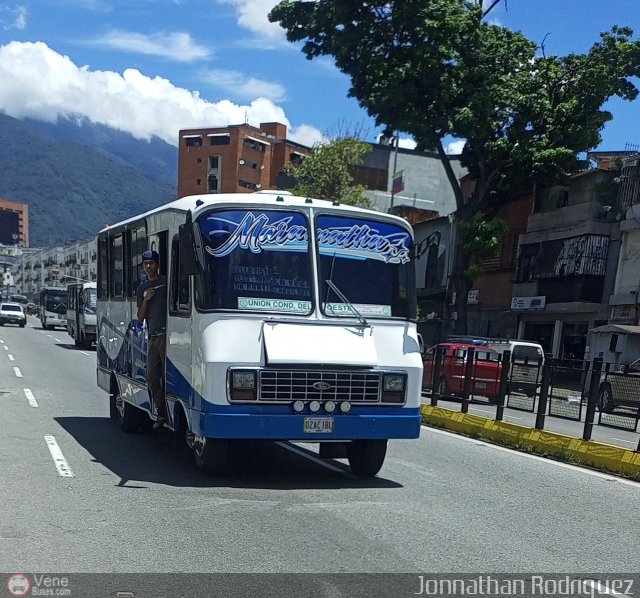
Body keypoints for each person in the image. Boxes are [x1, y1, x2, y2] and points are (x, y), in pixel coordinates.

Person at [136, 249, 168, 430]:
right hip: (153, 336)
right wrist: (146, 299)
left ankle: (168, 413)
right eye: (145, 264)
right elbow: (140, 317)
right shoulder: (142, 289)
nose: (148, 267)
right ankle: (161, 411)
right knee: (152, 376)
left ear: (157, 264)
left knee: (167, 375)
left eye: (152, 263)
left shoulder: (166, 282)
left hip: (167, 334)